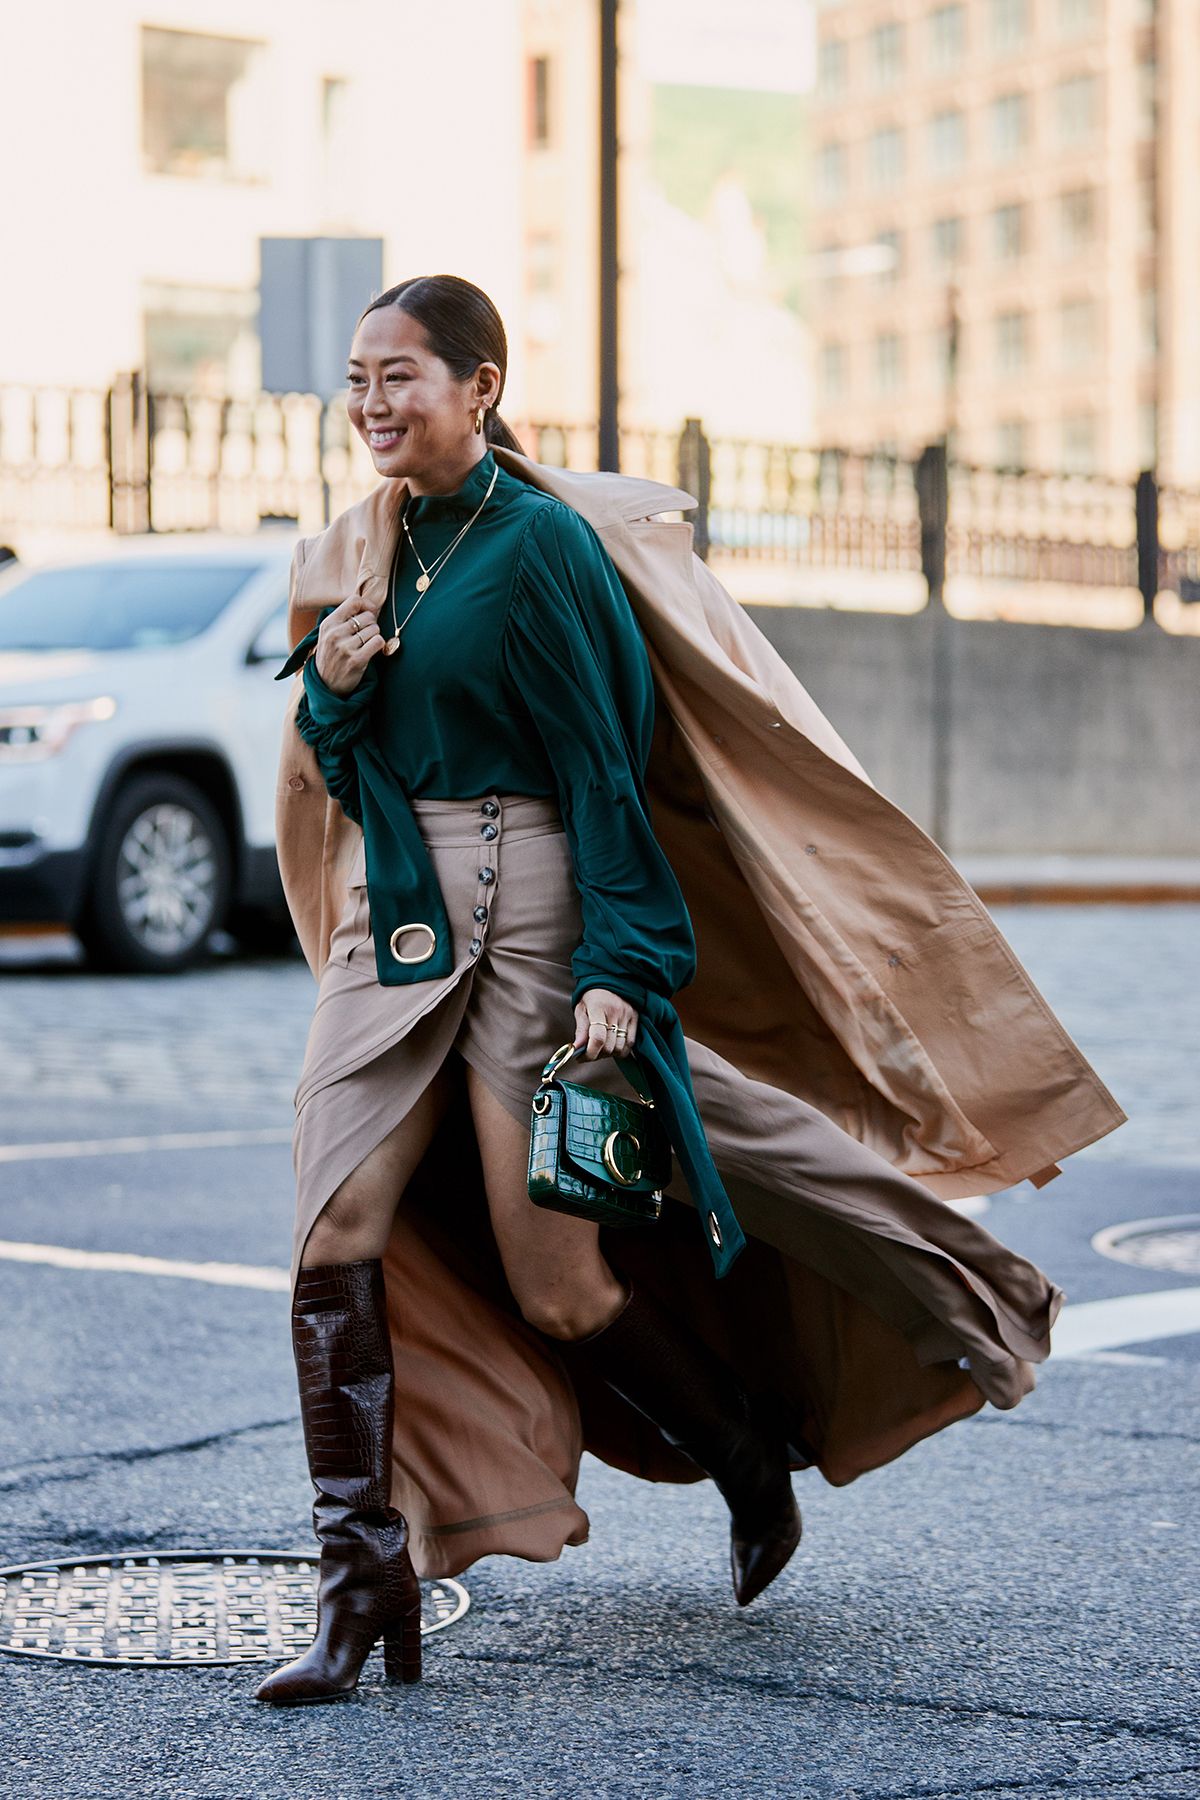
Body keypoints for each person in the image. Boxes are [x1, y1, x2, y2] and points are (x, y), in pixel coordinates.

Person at [255, 274, 1119, 1707]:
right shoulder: (372, 553)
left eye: (399, 376)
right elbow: (357, 772)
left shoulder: (541, 550)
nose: (370, 405)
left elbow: (609, 773)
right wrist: (337, 694)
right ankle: (361, 1589)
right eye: (356, 379)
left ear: (479, 386)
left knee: (561, 1277)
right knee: (332, 1225)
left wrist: (619, 972)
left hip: (533, 906)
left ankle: (740, 1449)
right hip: (393, 924)